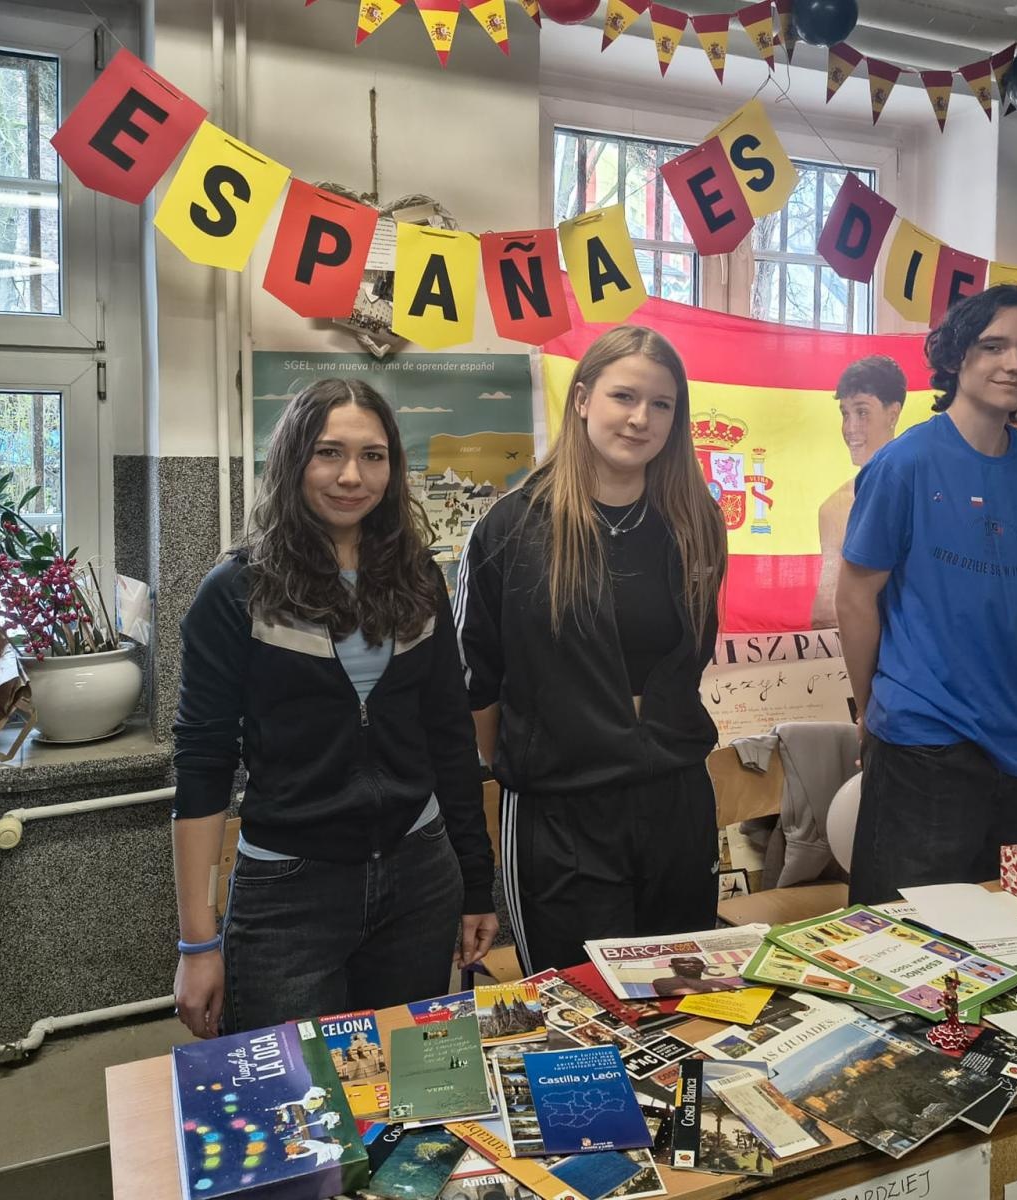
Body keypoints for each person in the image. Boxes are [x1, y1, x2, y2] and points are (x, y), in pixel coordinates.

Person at [170, 379, 497, 1038]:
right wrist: (197, 945)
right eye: (329, 453)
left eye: (373, 456)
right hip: (290, 890)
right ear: (294, 461)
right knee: (299, 1113)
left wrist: (475, 884)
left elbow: (449, 740)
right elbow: (202, 768)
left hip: (420, 875)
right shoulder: (236, 591)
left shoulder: (418, 578)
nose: (352, 476)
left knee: (409, 1101)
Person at [455, 325, 728, 975]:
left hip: (675, 802)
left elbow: (692, 658)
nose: (641, 418)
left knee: (681, 1003)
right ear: (581, 400)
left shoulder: (695, 523)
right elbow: (477, 685)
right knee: (576, 1011)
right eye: (623, 397)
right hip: (561, 816)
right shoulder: (511, 528)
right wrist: (546, 756)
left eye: (661, 404)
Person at [836, 285, 1017, 903]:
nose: (1013, 363)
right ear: (957, 354)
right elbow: (855, 599)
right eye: (993, 345)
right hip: (921, 739)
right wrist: (871, 713)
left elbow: (1012, 601)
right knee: (904, 947)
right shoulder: (903, 463)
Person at [810, 356, 907, 628]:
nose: (850, 428)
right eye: (845, 414)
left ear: (893, 413)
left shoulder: (927, 492)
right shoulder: (835, 508)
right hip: (859, 654)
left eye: (862, 412)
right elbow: (824, 612)